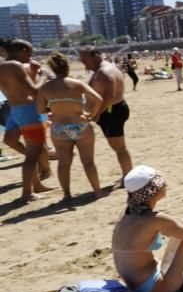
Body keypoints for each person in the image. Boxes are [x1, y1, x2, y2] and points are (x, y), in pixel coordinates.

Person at [35, 52, 105, 201]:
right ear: (67, 67)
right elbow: (98, 99)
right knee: (88, 162)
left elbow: (40, 110)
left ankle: (66, 194)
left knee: (63, 163)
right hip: (79, 125)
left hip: (59, 128)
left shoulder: (46, 88)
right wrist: (90, 114)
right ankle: (98, 191)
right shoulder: (76, 83)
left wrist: (53, 109)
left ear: (53, 69)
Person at [0, 39, 53, 201]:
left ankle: (37, 185)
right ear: (22, 51)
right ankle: (27, 193)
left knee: (32, 151)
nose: (31, 56)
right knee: (33, 153)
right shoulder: (15, 66)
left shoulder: (2, 65)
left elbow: (17, 87)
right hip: (29, 111)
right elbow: (34, 91)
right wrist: (42, 75)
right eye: (30, 52)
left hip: (16, 110)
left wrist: (31, 73)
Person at [80, 48, 134, 182]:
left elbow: (110, 96)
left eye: (85, 59)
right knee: (119, 147)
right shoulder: (105, 69)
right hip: (112, 110)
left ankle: (128, 176)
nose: (83, 62)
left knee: (119, 147)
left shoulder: (104, 72)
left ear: (95, 55)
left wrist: (97, 113)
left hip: (111, 111)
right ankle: (128, 174)